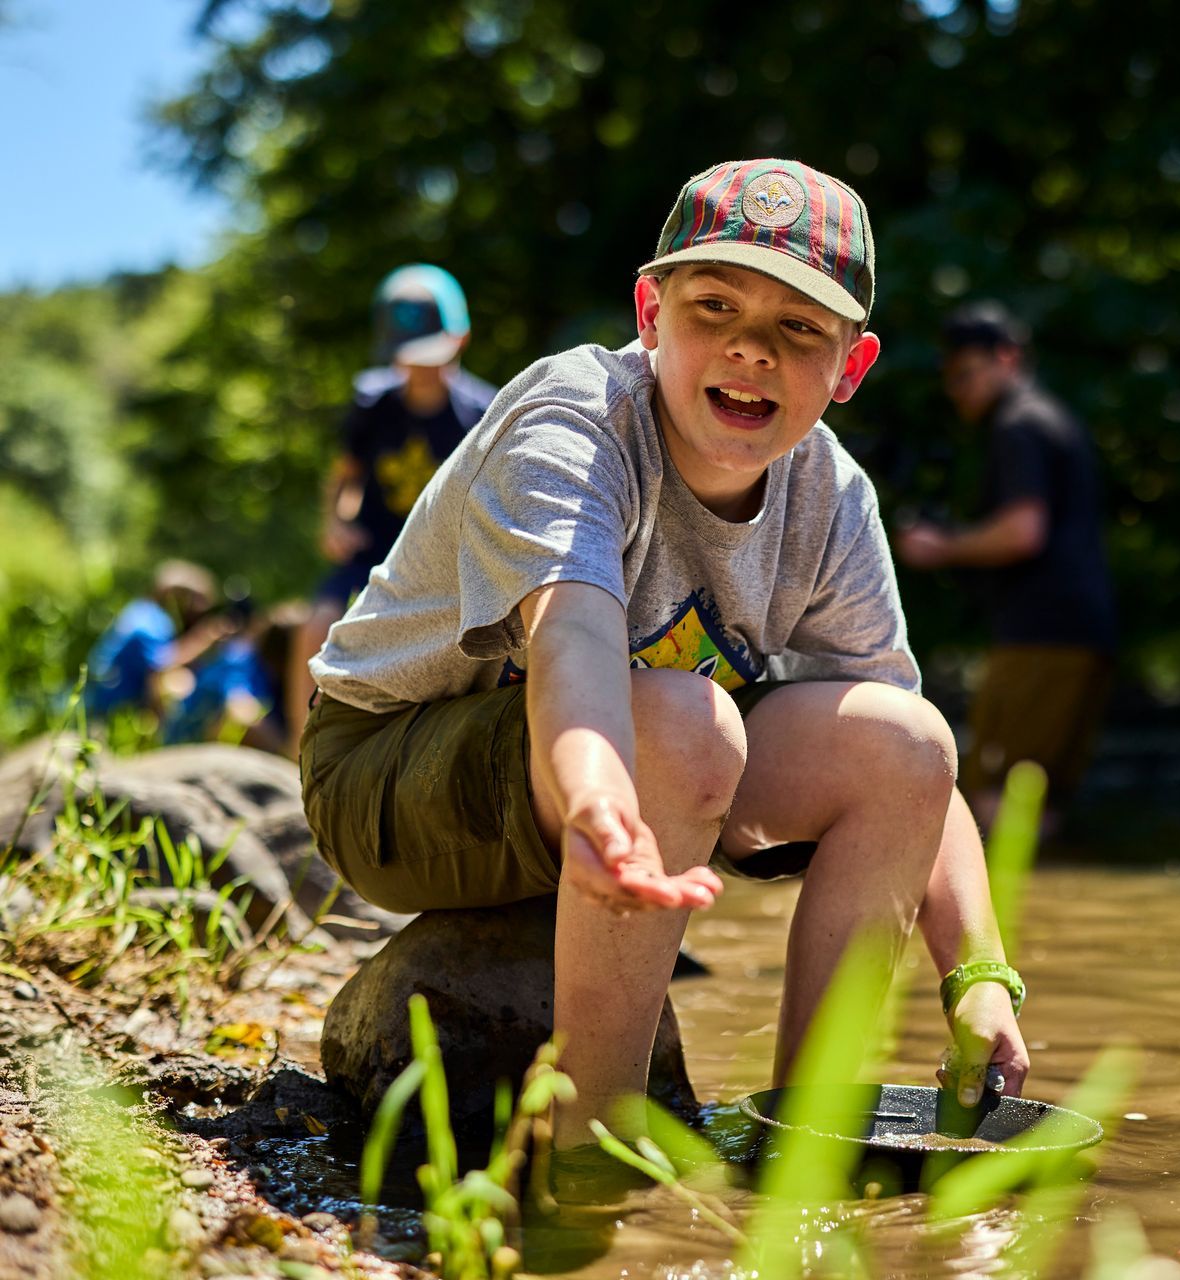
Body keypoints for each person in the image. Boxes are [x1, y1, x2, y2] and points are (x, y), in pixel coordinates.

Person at [299, 159, 1028, 1162]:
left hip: (627, 772)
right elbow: (573, 632)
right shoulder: (574, 419)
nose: (750, 348)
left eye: (798, 328)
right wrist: (596, 797)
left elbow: (920, 781)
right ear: (650, 312)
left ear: (850, 369)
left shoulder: (833, 497)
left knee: (904, 739)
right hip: (388, 769)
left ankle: (803, 1142)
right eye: (714, 305)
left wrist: (977, 976)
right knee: (690, 723)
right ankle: (591, 1152)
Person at [894, 302, 1118, 827]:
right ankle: (1040, 908)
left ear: (1008, 358)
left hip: (1043, 635)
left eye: (967, 373)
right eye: (950, 377)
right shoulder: (1048, 417)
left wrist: (940, 546)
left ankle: (992, 911)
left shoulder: (1018, 424)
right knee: (1036, 798)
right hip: (1077, 632)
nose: (958, 389)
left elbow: (1023, 531)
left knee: (995, 793)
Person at [284, 264, 496, 750]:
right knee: (315, 625)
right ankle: (301, 749)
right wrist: (335, 523)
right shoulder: (372, 404)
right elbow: (344, 478)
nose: (420, 368)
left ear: (459, 340)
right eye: (410, 358)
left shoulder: (481, 412)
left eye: (431, 356)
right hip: (374, 550)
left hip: (442, 561)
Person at [83, 559, 230, 727]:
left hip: (103, 699)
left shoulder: (141, 610)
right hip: (110, 707)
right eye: (196, 601)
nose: (198, 609)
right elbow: (161, 668)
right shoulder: (153, 623)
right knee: (179, 683)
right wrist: (205, 639)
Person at [164, 600, 310, 754]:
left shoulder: (268, 667)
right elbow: (241, 714)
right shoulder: (240, 661)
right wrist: (291, 753)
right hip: (185, 744)